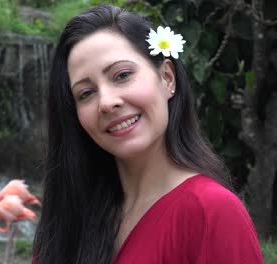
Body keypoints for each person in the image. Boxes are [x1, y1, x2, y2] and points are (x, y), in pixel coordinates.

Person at [32, 4, 263, 264]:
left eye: (122, 75)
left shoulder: (211, 211)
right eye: (86, 93)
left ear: (167, 78)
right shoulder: (72, 217)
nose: (106, 102)